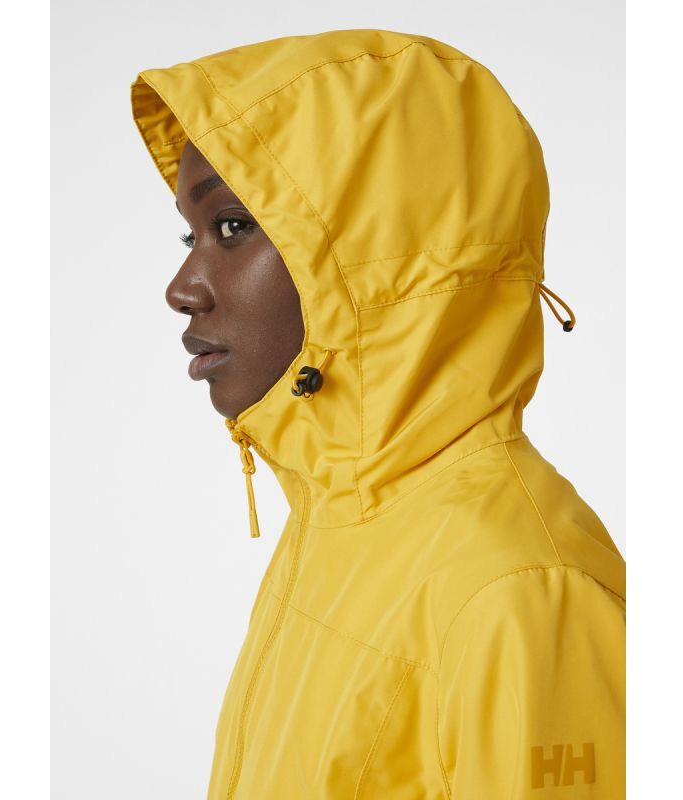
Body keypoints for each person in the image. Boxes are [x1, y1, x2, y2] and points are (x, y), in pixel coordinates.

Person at [131, 28, 626, 799]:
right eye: (190, 234)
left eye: (232, 227)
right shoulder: (341, 523)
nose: (182, 287)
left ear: (379, 259)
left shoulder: (519, 591)